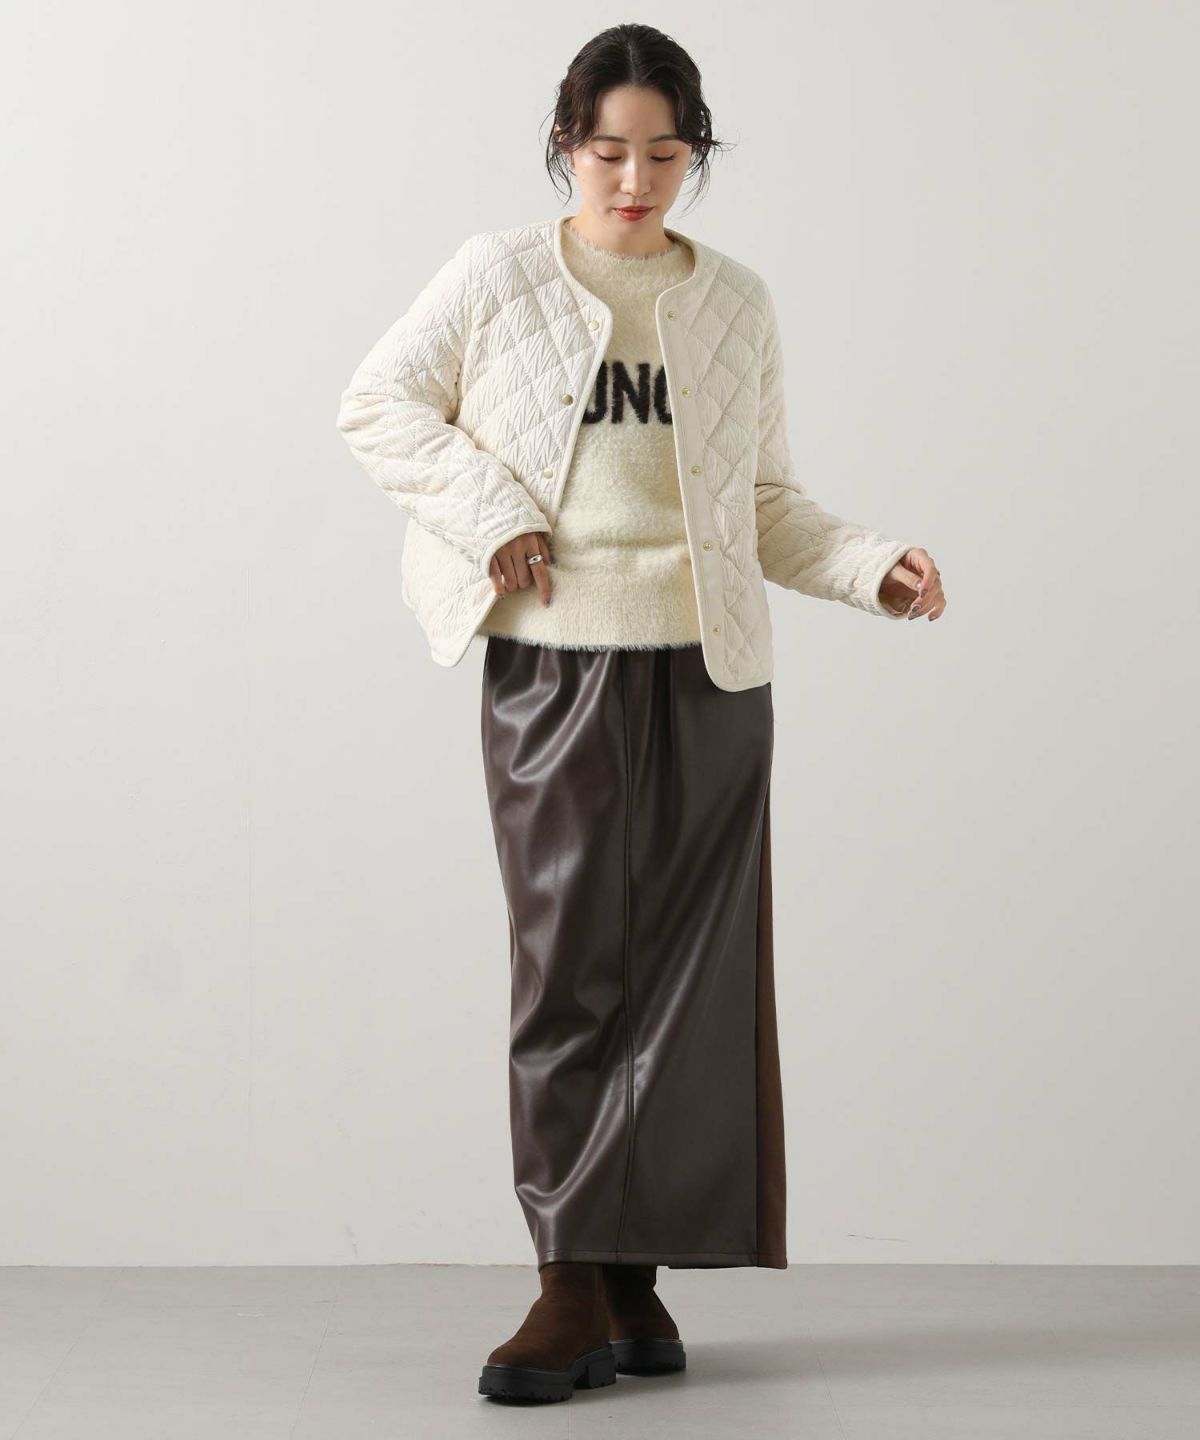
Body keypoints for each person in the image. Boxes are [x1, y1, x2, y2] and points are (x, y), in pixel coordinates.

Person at [336, 22, 946, 1406]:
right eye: (608, 151)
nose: (634, 180)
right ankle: (567, 1270)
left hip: (710, 672)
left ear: (695, 157)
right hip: (557, 664)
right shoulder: (496, 277)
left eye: (664, 155)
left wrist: (871, 567)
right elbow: (378, 405)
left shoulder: (733, 301)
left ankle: (631, 1277)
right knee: (571, 966)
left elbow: (765, 503)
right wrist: (492, 512)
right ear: (567, 145)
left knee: (689, 978)